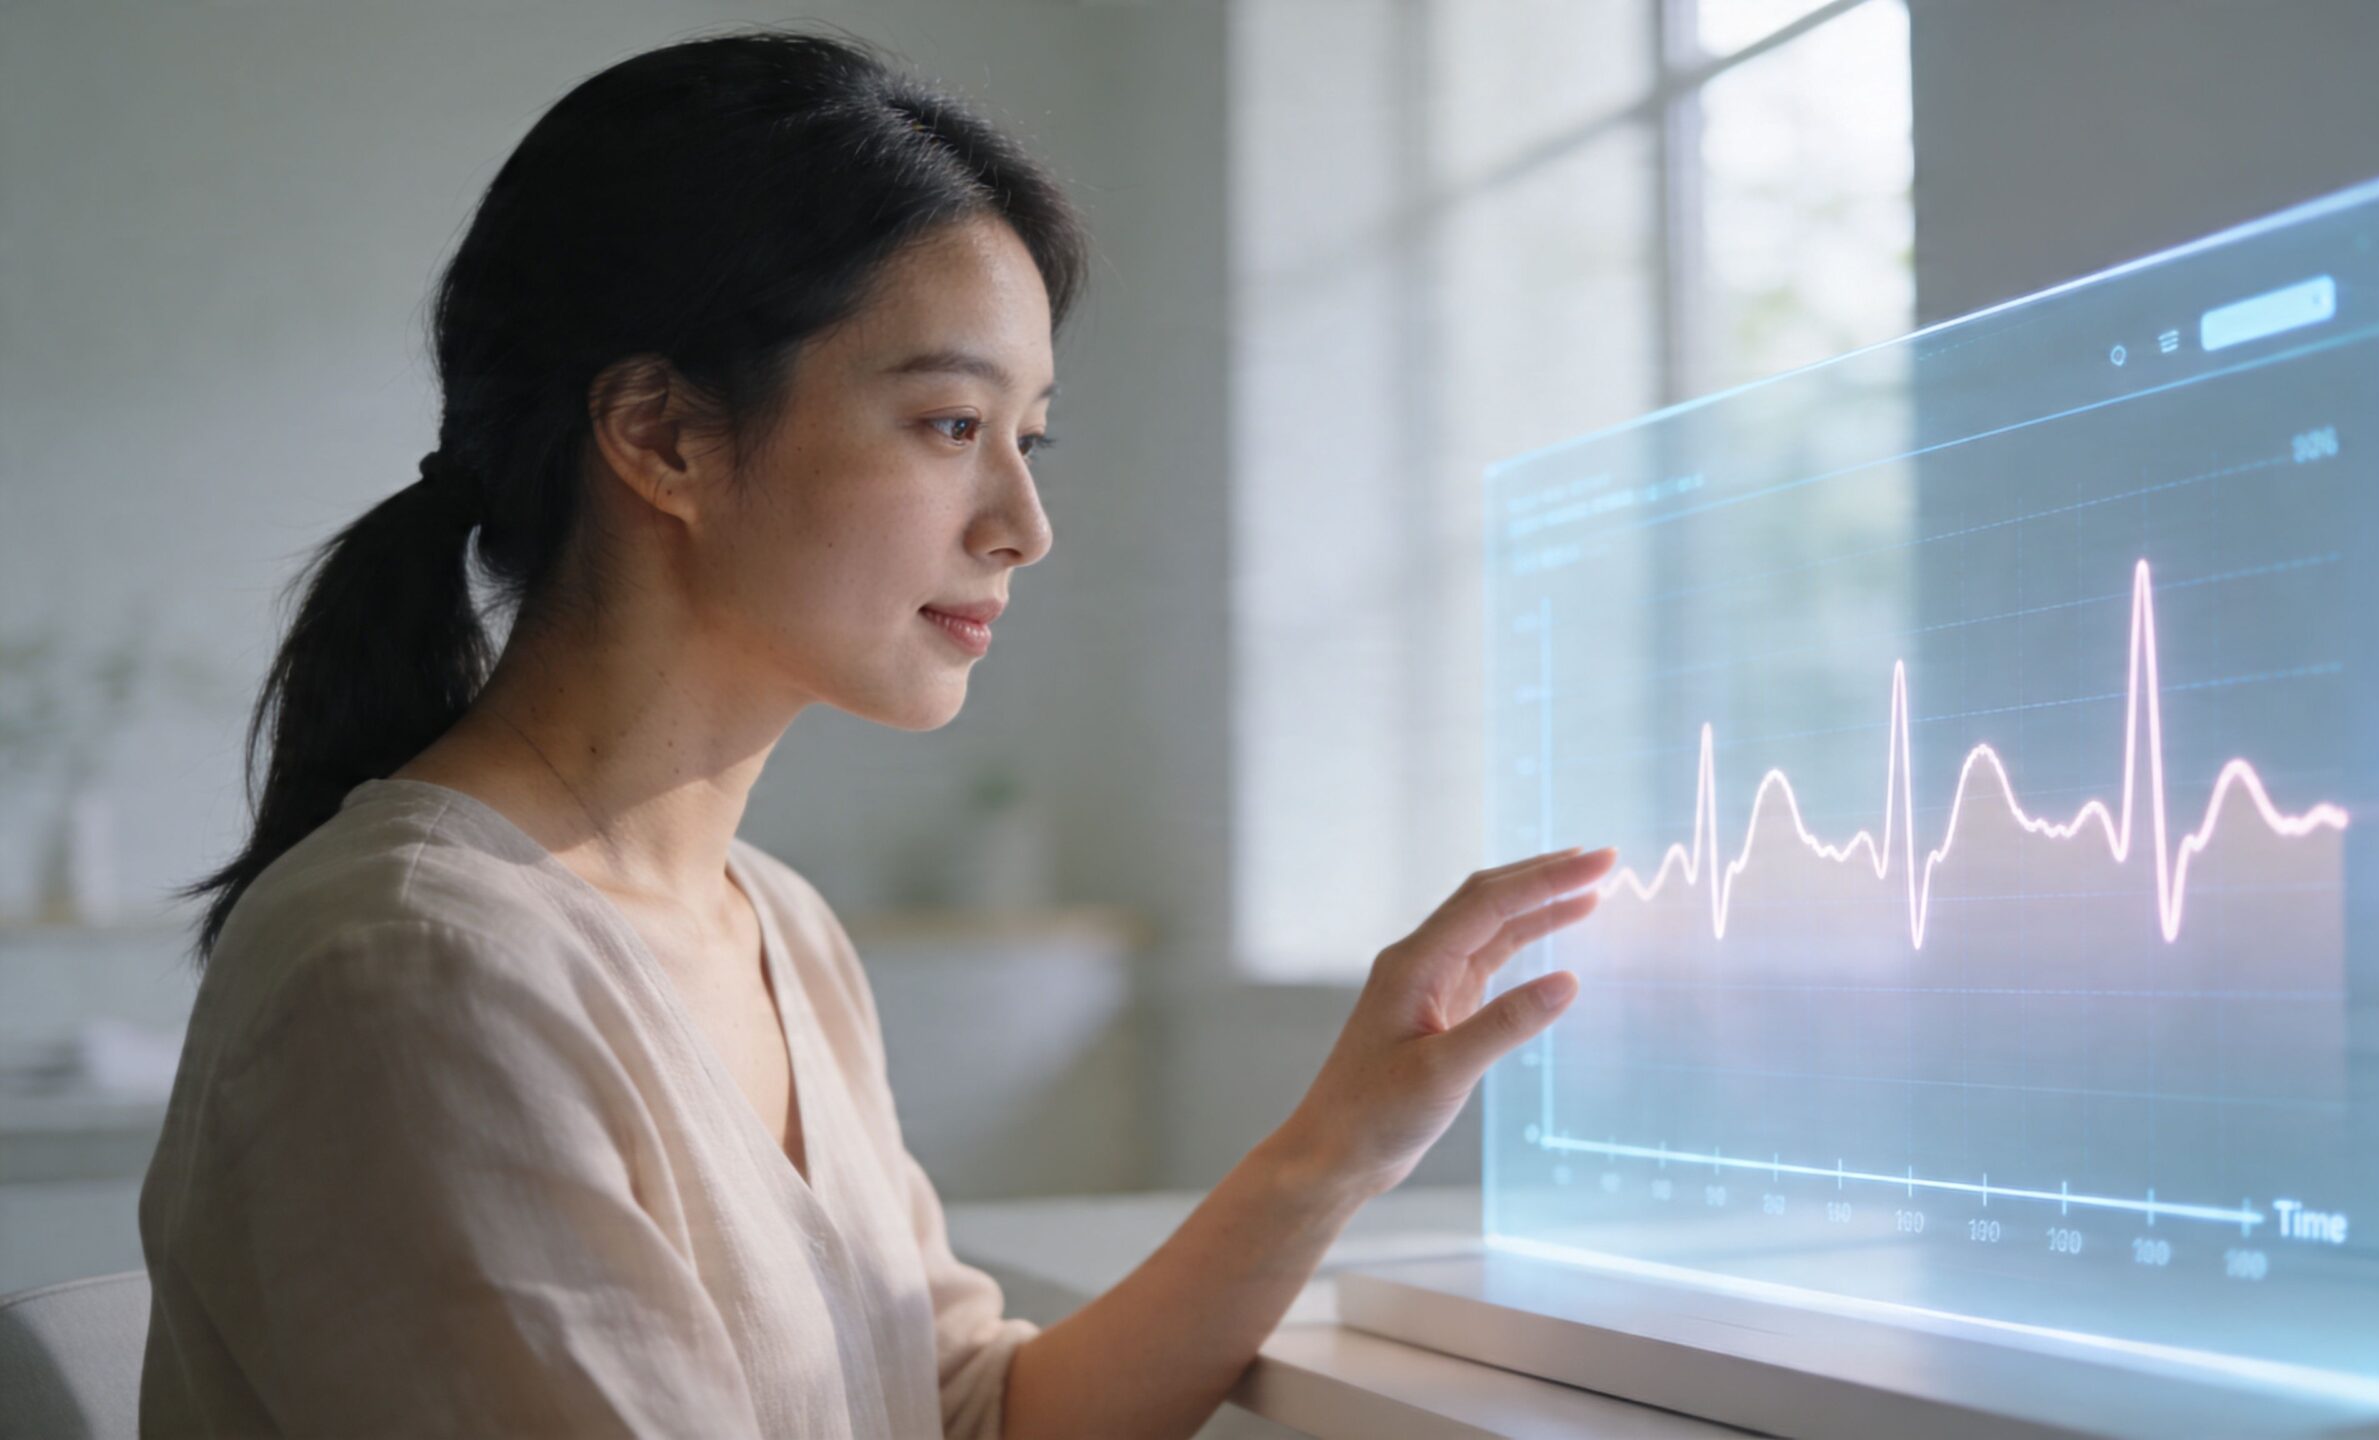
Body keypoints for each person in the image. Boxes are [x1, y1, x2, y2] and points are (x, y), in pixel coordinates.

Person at [138, 27, 1613, 1440]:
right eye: (952, 426)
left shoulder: (776, 929)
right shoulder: (415, 968)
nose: (1026, 529)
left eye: (1028, 439)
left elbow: (973, 1416)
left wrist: (1335, 1145)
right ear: (661, 436)